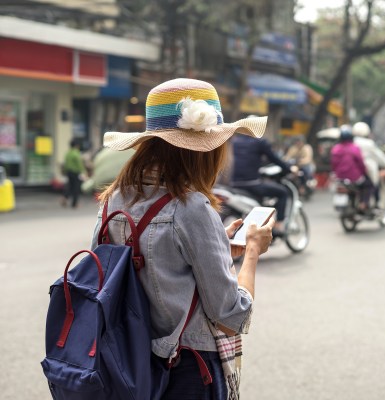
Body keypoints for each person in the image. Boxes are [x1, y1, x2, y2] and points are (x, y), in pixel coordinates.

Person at [91, 78, 275, 399]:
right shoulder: (191, 208)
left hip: (123, 363)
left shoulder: (114, 199)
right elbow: (230, 314)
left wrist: (219, 245)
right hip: (184, 370)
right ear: (205, 150)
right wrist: (253, 252)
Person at [230, 122, 295, 234]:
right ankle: (278, 226)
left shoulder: (235, 142)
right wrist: (288, 169)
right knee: (283, 193)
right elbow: (275, 158)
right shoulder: (260, 142)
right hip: (252, 184)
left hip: (234, 184)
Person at [330, 125, 373, 210]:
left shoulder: (336, 149)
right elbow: (361, 163)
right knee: (368, 185)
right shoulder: (354, 148)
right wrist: (364, 172)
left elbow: (333, 164)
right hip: (354, 177)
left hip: (340, 177)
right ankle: (363, 203)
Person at [352, 121, 385, 206]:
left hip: (353, 171)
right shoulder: (369, 143)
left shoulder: (351, 142)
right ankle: (375, 204)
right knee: (374, 184)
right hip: (367, 170)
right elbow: (379, 156)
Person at [61, 138, 85, 208]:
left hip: (69, 172)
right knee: (76, 188)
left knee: (70, 186)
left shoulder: (68, 153)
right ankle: (74, 203)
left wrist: (65, 171)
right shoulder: (76, 153)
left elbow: (65, 164)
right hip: (75, 172)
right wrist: (83, 171)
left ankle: (65, 197)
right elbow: (79, 164)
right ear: (77, 145)